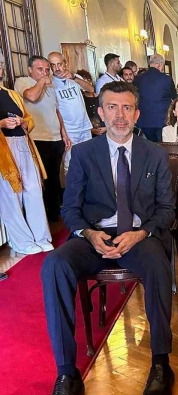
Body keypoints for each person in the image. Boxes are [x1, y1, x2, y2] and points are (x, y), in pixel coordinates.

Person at [40, 81, 176, 395]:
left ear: (137, 114)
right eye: (112, 107)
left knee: (158, 263)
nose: (120, 115)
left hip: (139, 237)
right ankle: (67, 374)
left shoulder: (155, 154)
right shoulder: (83, 154)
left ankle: (161, 363)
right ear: (100, 112)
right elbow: (69, 208)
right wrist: (88, 233)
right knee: (54, 265)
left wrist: (141, 232)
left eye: (127, 107)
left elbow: (166, 210)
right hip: (94, 237)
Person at [0, 53, 51, 255]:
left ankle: (41, 236)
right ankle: (21, 241)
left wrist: (22, 122)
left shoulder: (11, 94)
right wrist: (2, 123)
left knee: (33, 190)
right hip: (4, 149)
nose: (0, 69)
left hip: (23, 143)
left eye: (0, 65)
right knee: (12, 196)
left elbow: (29, 119)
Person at [14, 55, 71, 222]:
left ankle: (55, 213)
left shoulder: (50, 85)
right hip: (38, 138)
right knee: (40, 178)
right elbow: (31, 97)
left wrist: (64, 133)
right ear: (30, 69)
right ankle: (42, 216)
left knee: (54, 176)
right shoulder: (23, 82)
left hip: (55, 137)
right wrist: (41, 81)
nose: (45, 72)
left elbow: (56, 111)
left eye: (47, 69)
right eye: (40, 69)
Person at [47, 52, 94, 176]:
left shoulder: (74, 77)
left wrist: (74, 77)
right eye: (53, 65)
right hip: (69, 129)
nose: (57, 68)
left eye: (59, 64)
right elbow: (55, 109)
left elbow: (91, 89)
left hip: (84, 126)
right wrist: (63, 132)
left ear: (65, 63)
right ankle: (71, 188)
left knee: (89, 160)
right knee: (70, 163)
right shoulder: (50, 83)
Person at [133, 54, 176, 142]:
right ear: (160, 64)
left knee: (147, 147)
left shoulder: (138, 78)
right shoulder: (167, 79)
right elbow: (174, 97)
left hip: (143, 121)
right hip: (162, 120)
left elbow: (134, 98)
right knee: (162, 146)